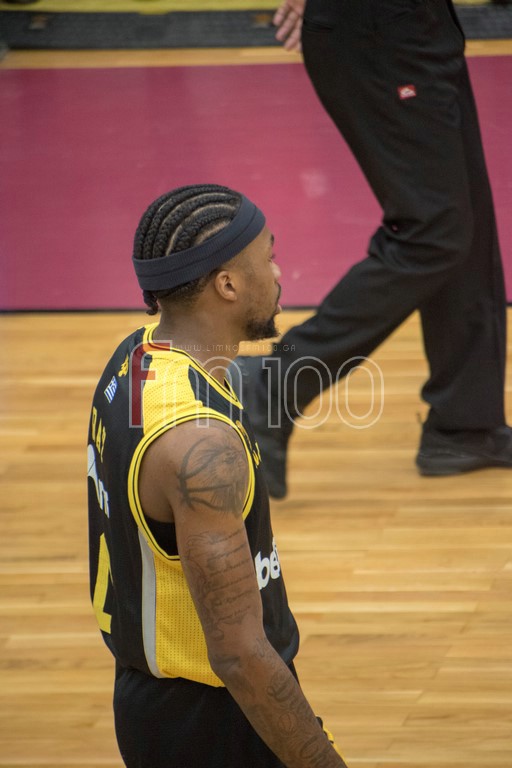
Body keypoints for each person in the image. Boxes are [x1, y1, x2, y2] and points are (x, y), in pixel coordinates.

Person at [87, 185, 348, 768]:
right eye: (270, 258)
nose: (279, 273)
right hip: (215, 718)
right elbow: (238, 656)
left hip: (153, 699)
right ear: (227, 285)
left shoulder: (137, 356)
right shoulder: (200, 445)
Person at [231, 0, 512, 499]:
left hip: (416, 25)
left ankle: (465, 424)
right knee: (434, 230)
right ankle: (274, 385)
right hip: (381, 32)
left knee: (462, 225)